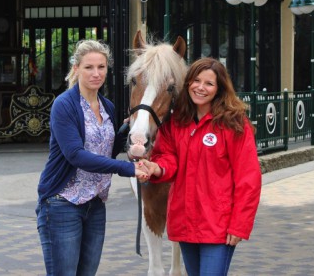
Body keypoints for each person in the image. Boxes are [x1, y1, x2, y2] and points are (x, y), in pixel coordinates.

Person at [36, 39, 149, 276]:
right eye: (89, 67)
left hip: (95, 205)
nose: (96, 73)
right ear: (76, 68)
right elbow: (76, 155)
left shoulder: (106, 106)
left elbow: (105, 150)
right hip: (62, 203)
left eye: (102, 67)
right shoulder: (64, 105)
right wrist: (127, 169)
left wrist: (125, 130)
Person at [140, 57, 262, 276]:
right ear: (188, 83)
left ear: (219, 89)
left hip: (218, 226)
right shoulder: (177, 122)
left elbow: (248, 179)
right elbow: (167, 158)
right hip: (185, 223)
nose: (201, 88)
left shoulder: (233, 123)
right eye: (196, 81)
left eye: (209, 83)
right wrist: (156, 168)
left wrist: (239, 225)